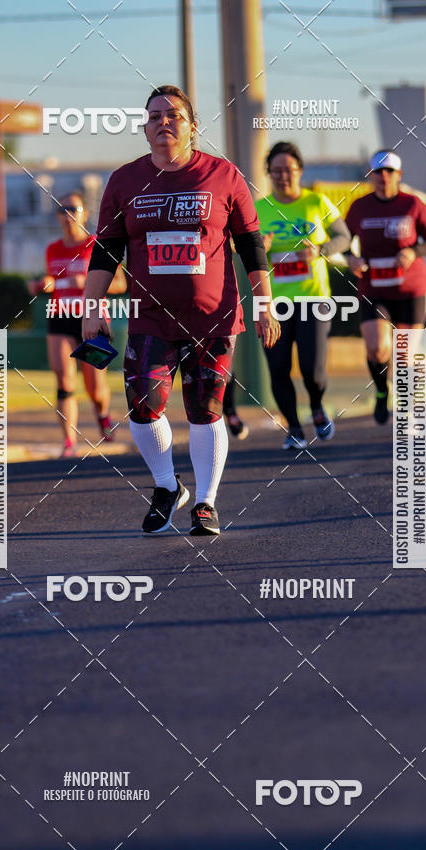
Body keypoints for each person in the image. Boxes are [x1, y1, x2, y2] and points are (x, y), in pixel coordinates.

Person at [82, 85, 280, 535]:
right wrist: (90, 308)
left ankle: (206, 503)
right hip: (150, 316)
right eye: (153, 117)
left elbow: (251, 247)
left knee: (205, 408)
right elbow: (105, 253)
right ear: (144, 129)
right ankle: (167, 485)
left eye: (173, 115)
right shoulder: (124, 182)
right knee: (143, 406)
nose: (163, 122)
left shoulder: (223, 176)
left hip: (213, 317)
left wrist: (265, 305)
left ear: (192, 125)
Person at [255, 141, 351, 449]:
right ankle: (294, 428)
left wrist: (321, 250)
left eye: (289, 170)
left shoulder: (318, 202)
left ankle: (317, 405)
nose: (283, 176)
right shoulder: (259, 209)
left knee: (312, 367)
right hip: (274, 303)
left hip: (314, 299)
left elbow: (344, 237)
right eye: (276, 171)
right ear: (268, 173)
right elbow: (239, 249)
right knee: (278, 366)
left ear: (300, 171)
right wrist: (261, 249)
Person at [345, 150, 426, 424]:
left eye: (389, 171)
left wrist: (414, 251)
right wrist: (349, 258)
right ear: (371, 176)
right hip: (374, 287)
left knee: (404, 355)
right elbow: (341, 240)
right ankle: (379, 390)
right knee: (377, 349)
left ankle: (407, 409)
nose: (383, 176)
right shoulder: (359, 207)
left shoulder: (412, 204)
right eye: (378, 172)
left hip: (411, 288)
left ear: (398, 176)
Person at [29, 192, 126, 457]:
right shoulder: (52, 249)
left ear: (84, 212)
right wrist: (40, 285)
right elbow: (50, 281)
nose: (68, 214)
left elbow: (120, 284)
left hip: (92, 317)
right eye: (62, 209)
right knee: (63, 378)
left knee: (94, 386)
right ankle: (69, 442)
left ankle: (102, 414)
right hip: (61, 316)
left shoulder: (97, 245)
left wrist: (86, 284)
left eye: (73, 208)